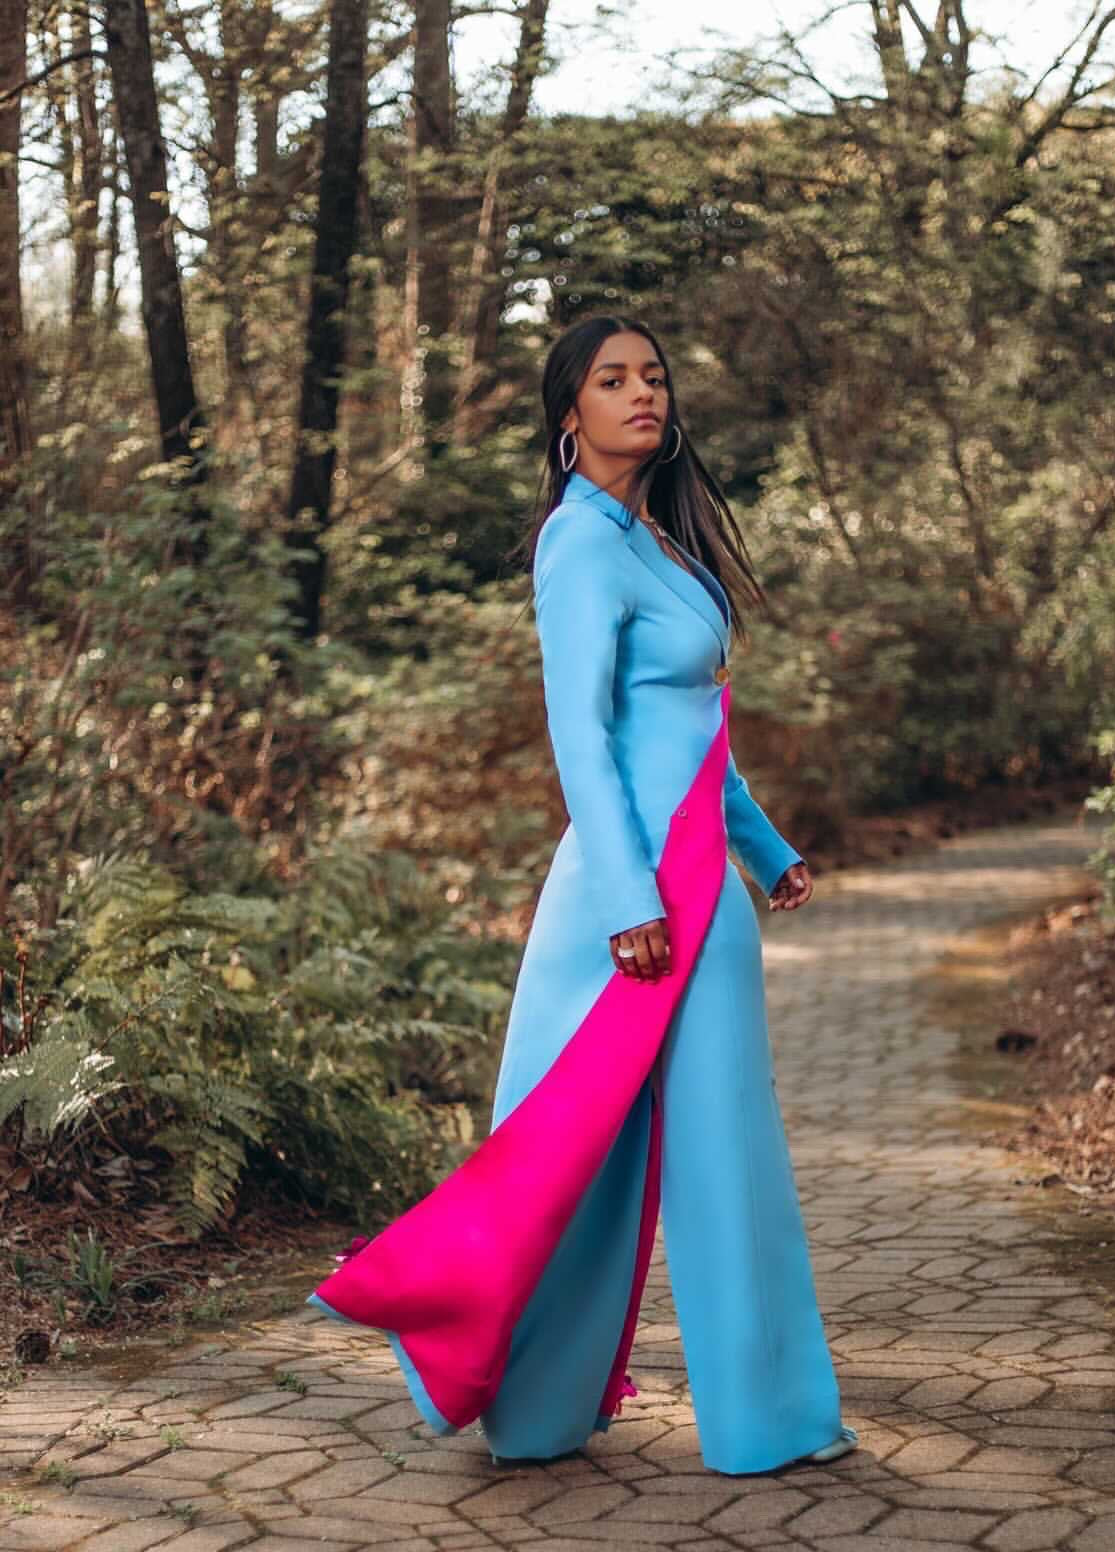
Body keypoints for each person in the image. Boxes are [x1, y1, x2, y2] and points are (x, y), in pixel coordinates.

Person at [308, 315, 857, 1477]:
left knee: (728, 1150)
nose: (641, 393)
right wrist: (626, 899)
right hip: (623, 915)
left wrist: (767, 849)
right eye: (612, 379)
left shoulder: (664, 547)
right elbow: (583, 737)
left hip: (706, 901)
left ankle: (769, 1417)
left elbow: (696, 735)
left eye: (653, 375)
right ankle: (528, 1404)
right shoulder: (577, 546)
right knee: (561, 1158)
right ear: (571, 415)